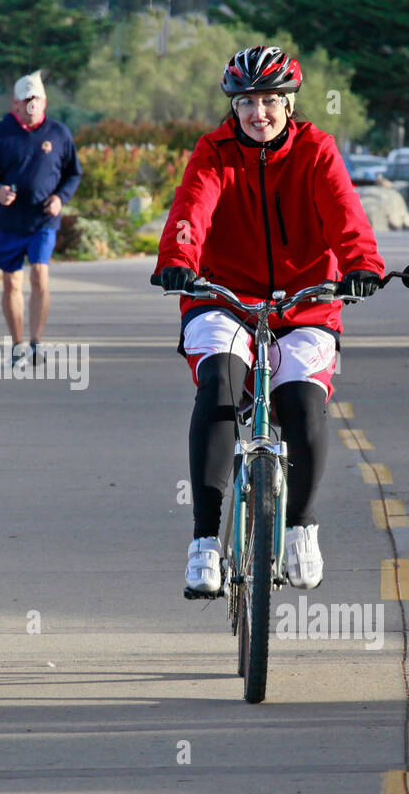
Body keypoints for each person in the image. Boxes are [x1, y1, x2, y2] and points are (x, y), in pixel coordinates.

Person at [155, 45, 385, 595]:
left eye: (270, 101)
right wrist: (178, 263)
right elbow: (192, 209)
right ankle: (205, 544)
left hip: (306, 300)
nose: (259, 113)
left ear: (290, 102)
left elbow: (344, 213)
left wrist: (361, 266)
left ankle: (301, 528)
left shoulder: (316, 151)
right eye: (247, 102)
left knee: (303, 406)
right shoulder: (212, 152)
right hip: (223, 296)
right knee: (219, 384)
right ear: (233, 107)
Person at [0, 70, 81, 367]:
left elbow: (73, 173)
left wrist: (60, 198)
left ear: (45, 102)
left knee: (40, 276)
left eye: (37, 99)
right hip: (9, 221)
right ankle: (18, 343)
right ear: (15, 104)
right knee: (12, 282)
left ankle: (36, 342)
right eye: (26, 100)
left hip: (43, 220)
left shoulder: (59, 133)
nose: (32, 105)